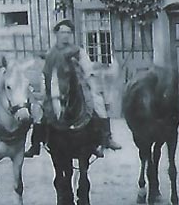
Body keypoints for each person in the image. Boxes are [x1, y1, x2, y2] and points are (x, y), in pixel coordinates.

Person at [38, 19, 121, 156]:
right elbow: (45, 73)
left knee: (98, 103)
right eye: (62, 32)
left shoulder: (78, 51)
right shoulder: (51, 53)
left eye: (68, 33)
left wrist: (92, 86)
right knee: (38, 110)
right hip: (55, 88)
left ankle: (106, 137)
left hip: (79, 87)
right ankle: (37, 142)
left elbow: (88, 70)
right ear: (57, 34)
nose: (65, 35)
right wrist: (44, 90)